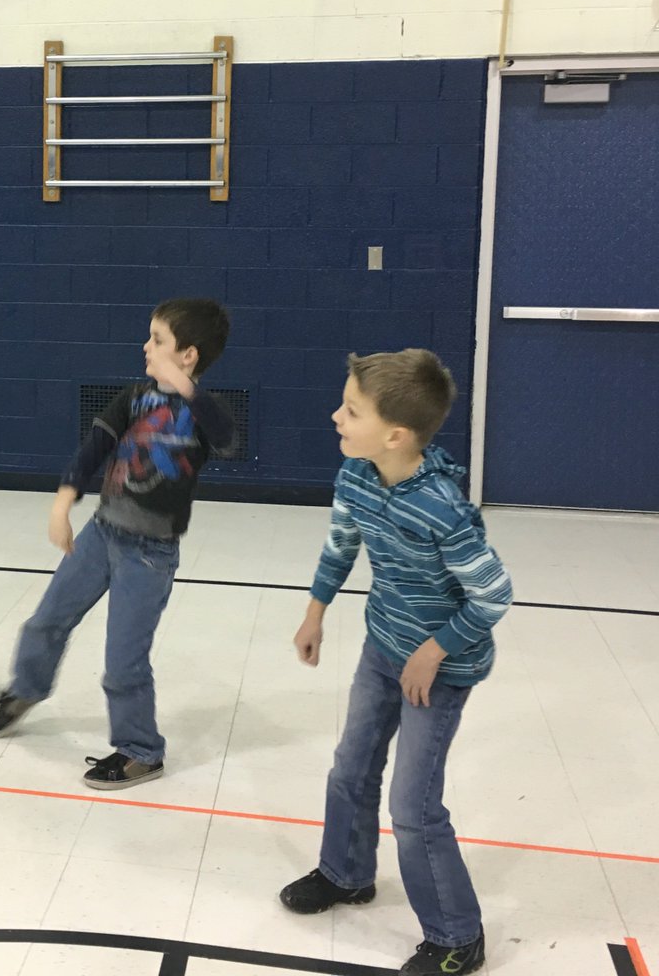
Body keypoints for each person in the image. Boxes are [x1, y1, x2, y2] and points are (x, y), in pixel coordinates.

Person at [280, 349, 512, 976]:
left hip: (440, 669)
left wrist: (434, 652)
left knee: (413, 806)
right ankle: (346, 873)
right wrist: (315, 612)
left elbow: (494, 593)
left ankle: (457, 935)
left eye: (350, 410)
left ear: (396, 435)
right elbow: (341, 542)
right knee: (349, 768)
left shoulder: (441, 507)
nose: (336, 416)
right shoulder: (357, 475)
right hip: (383, 648)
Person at [0, 297, 233, 790]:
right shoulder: (134, 398)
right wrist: (62, 504)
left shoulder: (203, 413)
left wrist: (186, 389)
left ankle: (141, 751)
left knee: (123, 662)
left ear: (189, 355)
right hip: (102, 534)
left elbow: (228, 437)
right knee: (46, 621)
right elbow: (92, 449)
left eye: (157, 340)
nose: (145, 346)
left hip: (149, 554)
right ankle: (26, 688)